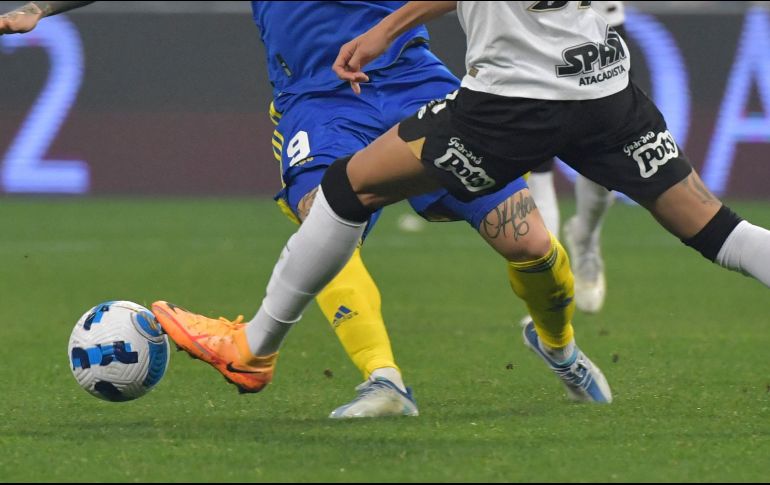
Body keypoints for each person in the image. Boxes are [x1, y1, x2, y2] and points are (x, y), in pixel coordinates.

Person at [149, 0, 770, 409]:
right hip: (605, 90)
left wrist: (385, 29)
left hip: (511, 107)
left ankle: (254, 347)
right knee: (719, 229)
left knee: (347, 190)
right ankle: (382, 375)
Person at [1, 1, 612, 414]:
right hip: (317, 102)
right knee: (326, 212)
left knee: (527, 241)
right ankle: (384, 380)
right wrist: (41, 8)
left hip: (414, 82)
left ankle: (558, 347)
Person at [527, 1, 626, 315]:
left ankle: (585, 238)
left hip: (598, 31)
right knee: (536, 166)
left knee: (603, 170)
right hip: (525, 37)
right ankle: (549, 290)